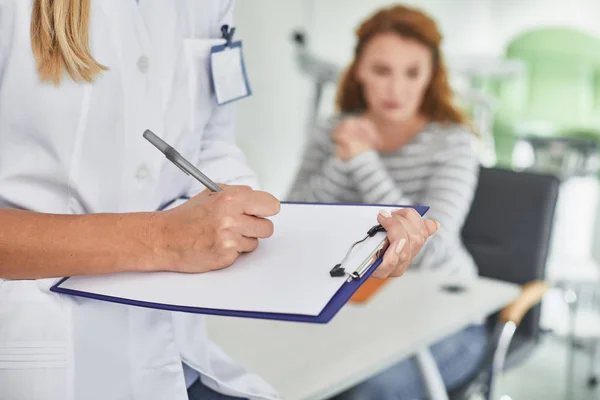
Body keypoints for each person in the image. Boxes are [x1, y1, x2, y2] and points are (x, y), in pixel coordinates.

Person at [0, 1, 439, 399]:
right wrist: (163, 239)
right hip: (44, 359)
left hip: (174, 356)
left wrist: (351, 248)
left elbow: (211, 151)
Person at [287, 4, 487, 399]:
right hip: (354, 306)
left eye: (412, 72)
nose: (396, 89)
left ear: (431, 75)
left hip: (444, 315)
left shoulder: (453, 142)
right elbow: (295, 216)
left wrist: (362, 160)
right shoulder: (333, 130)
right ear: (359, 69)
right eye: (381, 71)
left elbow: (427, 250)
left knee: (366, 393)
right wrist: (344, 158)